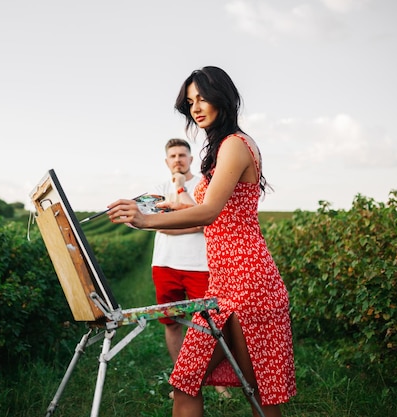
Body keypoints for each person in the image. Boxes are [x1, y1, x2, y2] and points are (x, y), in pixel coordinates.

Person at [107, 66, 297, 417]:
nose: (196, 107)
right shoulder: (220, 148)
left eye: (203, 98)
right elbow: (208, 215)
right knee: (185, 381)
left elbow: (209, 212)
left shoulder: (236, 145)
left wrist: (146, 219)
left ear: (223, 98)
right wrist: (162, 209)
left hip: (248, 281)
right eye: (191, 101)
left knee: (257, 392)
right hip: (222, 281)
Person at [151, 138, 230, 400]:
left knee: (208, 323)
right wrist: (189, 223)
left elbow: (204, 220)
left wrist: (181, 190)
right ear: (166, 161)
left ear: (191, 159)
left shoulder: (203, 186)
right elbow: (159, 225)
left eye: (182, 155)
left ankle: (215, 380)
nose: (177, 160)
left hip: (199, 265)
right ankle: (182, 379)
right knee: (171, 322)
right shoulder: (159, 189)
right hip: (164, 265)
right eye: (172, 156)